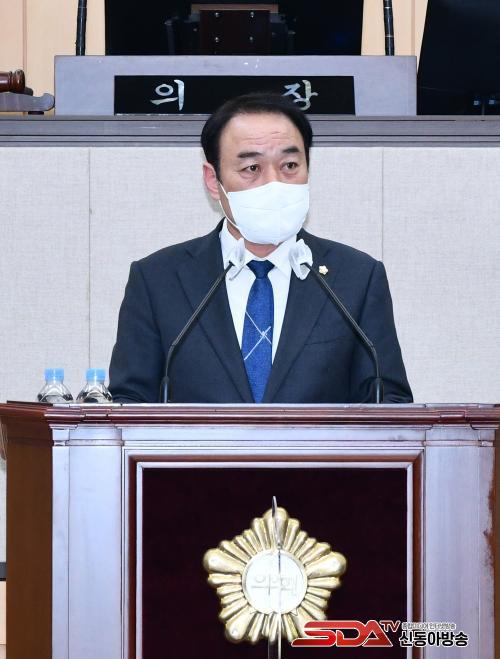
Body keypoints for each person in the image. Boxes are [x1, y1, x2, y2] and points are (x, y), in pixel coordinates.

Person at [109, 93, 412, 404]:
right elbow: (128, 403)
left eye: (290, 165)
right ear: (213, 181)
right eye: (252, 168)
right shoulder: (157, 280)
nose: (274, 184)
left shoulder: (356, 278)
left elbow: (389, 403)